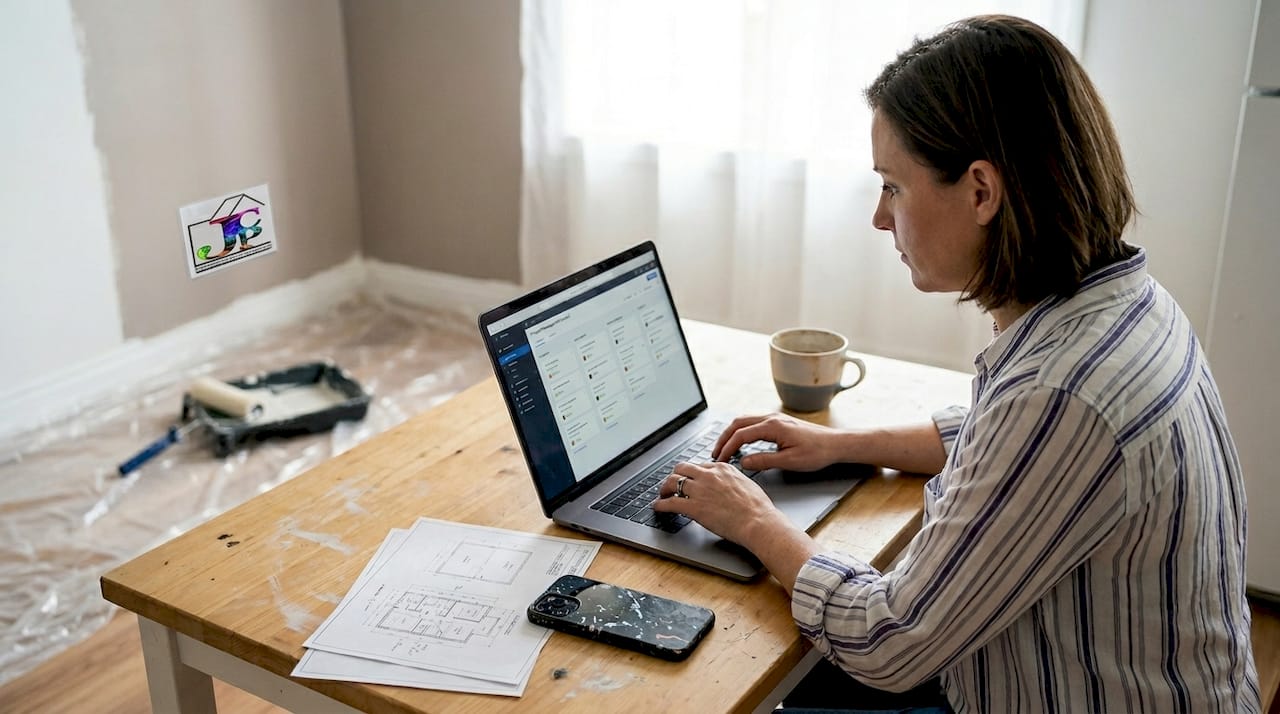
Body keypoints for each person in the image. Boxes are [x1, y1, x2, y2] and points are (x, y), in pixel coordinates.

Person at [652, 14, 1261, 713]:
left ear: (980, 191)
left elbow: (888, 640)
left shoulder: (1063, 396)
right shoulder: (1124, 303)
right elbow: (999, 438)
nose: (881, 219)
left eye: (893, 186)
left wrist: (754, 520)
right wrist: (841, 446)